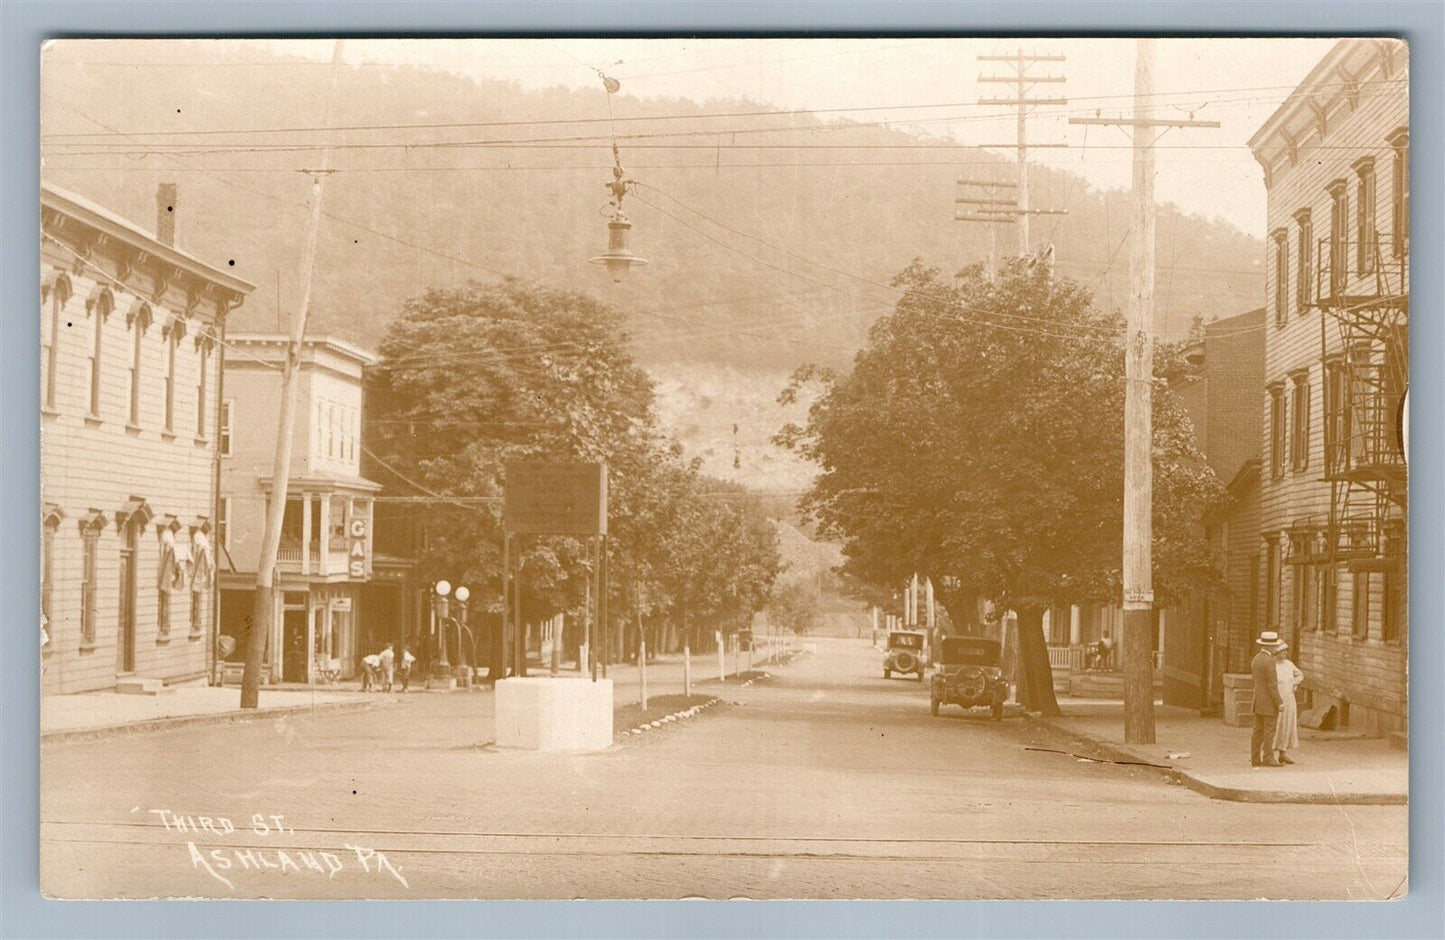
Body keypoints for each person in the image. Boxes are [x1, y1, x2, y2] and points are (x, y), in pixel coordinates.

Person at [1250, 631, 1287, 767]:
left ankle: (1255, 758)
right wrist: (1279, 702)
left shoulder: (1256, 660)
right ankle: (1268, 757)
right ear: (1271, 647)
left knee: (1257, 731)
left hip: (1258, 701)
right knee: (1269, 731)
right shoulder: (1270, 661)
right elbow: (1272, 685)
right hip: (1269, 703)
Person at [1273, 646, 1305, 765]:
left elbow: (1300, 675)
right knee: (1276, 725)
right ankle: (1269, 754)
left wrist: (1294, 684)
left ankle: (1283, 753)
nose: (1285, 653)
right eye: (1282, 651)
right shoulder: (1272, 665)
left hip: (1289, 698)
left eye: (1286, 650)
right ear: (1277, 652)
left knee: (1287, 725)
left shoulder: (1289, 664)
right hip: (1277, 698)